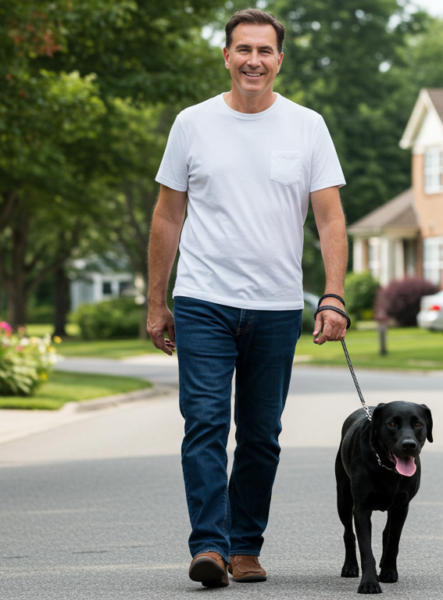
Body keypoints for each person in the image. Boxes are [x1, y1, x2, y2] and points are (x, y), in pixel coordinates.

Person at [147, 8, 348, 588]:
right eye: (243, 49)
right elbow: (167, 216)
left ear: (279, 60)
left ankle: (245, 546)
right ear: (227, 56)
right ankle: (209, 546)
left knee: (261, 434)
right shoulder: (192, 123)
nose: (253, 60)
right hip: (203, 299)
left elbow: (330, 221)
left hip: (276, 305)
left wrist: (332, 297)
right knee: (204, 424)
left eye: (265, 50)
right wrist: (157, 302)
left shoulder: (307, 126)